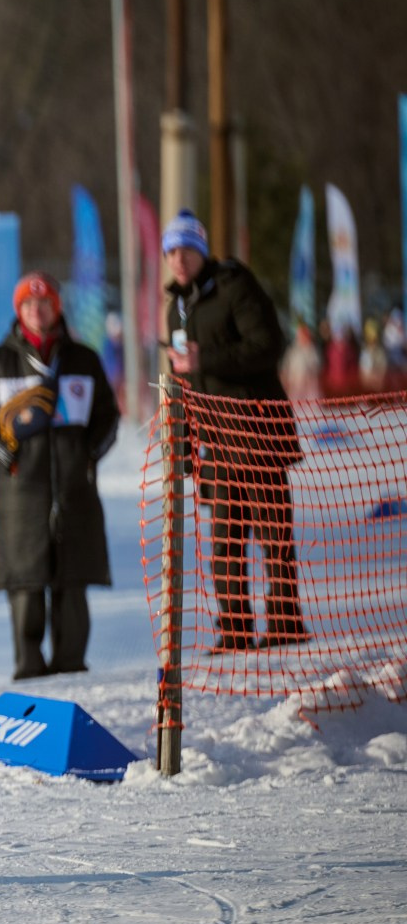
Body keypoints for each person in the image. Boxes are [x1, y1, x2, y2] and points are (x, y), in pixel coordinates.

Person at [0, 272, 121, 679]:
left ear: (57, 308)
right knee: (25, 584)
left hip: (74, 490)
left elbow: (108, 416)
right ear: (18, 311)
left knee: (72, 580)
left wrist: (89, 455)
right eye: (29, 304)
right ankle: (30, 669)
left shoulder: (83, 358)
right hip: (21, 492)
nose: (37, 310)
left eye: (45, 303)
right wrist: (6, 455)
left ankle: (70, 665)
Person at [162, 210, 307, 651]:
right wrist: (185, 448)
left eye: (186, 249)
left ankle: (284, 624)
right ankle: (236, 630)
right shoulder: (176, 307)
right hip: (218, 445)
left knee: (273, 536)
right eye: (171, 251)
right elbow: (182, 380)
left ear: (202, 251)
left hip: (259, 433)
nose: (178, 259)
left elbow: (268, 346)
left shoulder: (234, 287)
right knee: (225, 542)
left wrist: (208, 359)